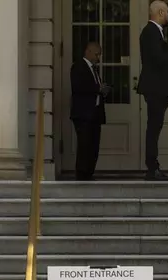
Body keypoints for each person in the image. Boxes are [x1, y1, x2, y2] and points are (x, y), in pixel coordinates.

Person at [137, 0, 168, 181]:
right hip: (155, 88)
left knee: (155, 127)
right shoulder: (150, 32)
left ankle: (153, 167)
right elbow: (156, 57)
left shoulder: (155, 33)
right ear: (160, 13)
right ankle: (152, 168)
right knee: (153, 128)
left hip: (157, 87)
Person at [69, 42, 111, 181]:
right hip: (83, 114)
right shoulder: (78, 67)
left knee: (94, 145)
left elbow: (94, 87)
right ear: (88, 51)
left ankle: (89, 173)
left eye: (99, 54)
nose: (98, 57)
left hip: (95, 114)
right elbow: (78, 87)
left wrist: (102, 90)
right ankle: (82, 175)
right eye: (96, 54)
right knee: (84, 145)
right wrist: (97, 89)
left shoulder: (94, 69)